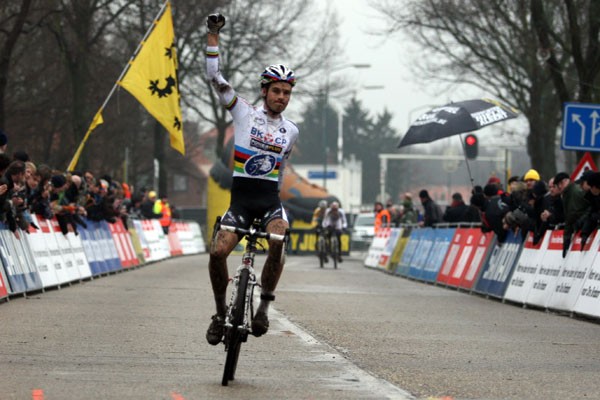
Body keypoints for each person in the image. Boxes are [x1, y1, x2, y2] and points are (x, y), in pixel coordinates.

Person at [205, 13, 299, 345]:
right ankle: (219, 314)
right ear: (264, 91)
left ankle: (263, 308)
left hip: (269, 201)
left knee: (277, 241)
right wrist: (213, 35)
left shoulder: (291, 131)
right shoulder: (244, 112)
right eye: (276, 91)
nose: (282, 97)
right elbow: (215, 77)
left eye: (287, 93)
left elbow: (282, 169)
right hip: (241, 202)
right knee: (218, 253)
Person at [553, 172, 589, 257]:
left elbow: (590, 209)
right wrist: (566, 238)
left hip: (585, 230)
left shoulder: (577, 192)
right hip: (579, 230)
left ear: (562, 183)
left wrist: (581, 222)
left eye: (558, 185)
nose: (558, 188)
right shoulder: (566, 195)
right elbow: (569, 218)